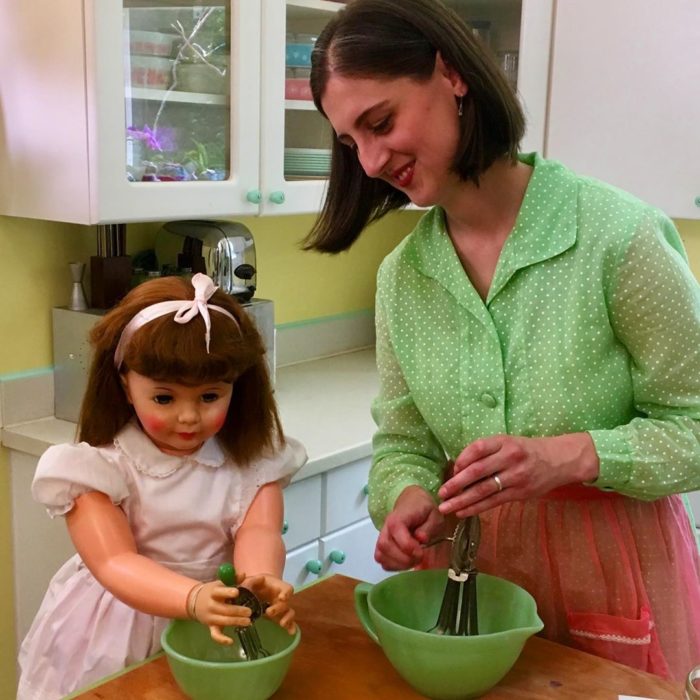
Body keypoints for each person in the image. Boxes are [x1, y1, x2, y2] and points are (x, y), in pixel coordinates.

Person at [304, 0, 700, 682]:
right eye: (349, 144)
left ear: (451, 74)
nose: (369, 162)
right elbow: (404, 443)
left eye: (380, 122)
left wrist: (573, 456)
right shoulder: (403, 277)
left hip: (609, 572)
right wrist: (405, 499)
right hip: (465, 580)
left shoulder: (618, 238)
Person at [17, 273, 307, 700]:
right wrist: (192, 598)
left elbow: (259, 531)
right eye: (165, 398)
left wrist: (259, 579)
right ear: (125, 386)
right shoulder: (96, 470)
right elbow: (114, 562)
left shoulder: (251, 465)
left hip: (216, 619)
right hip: (119, 625)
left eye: (210, 396)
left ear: (236, 388)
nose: (189, 417)